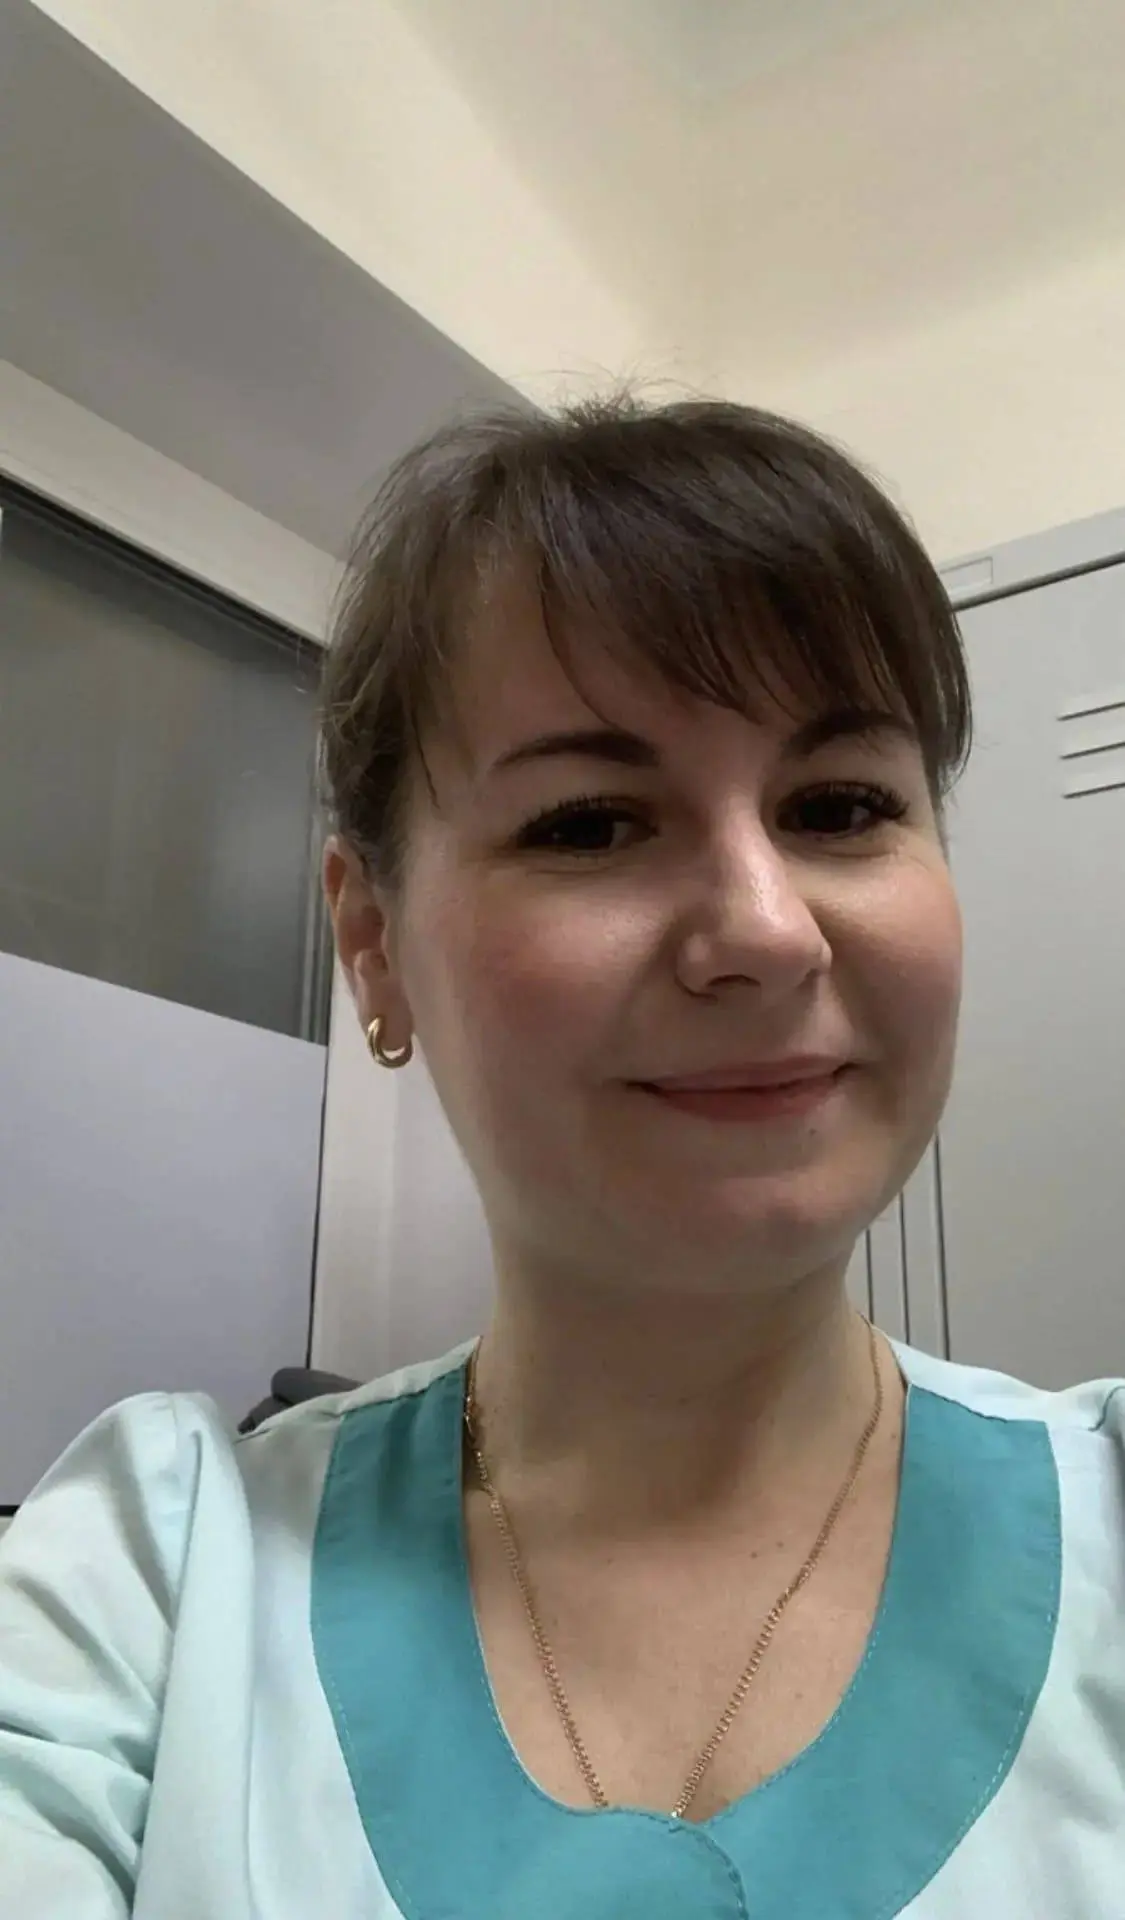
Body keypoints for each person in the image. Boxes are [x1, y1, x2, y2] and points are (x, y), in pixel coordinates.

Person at [0, 395, 1121, 1920]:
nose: (765, 929)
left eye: (842, 805)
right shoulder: (153, 1578)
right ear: (373, 941)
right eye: (591, 824)